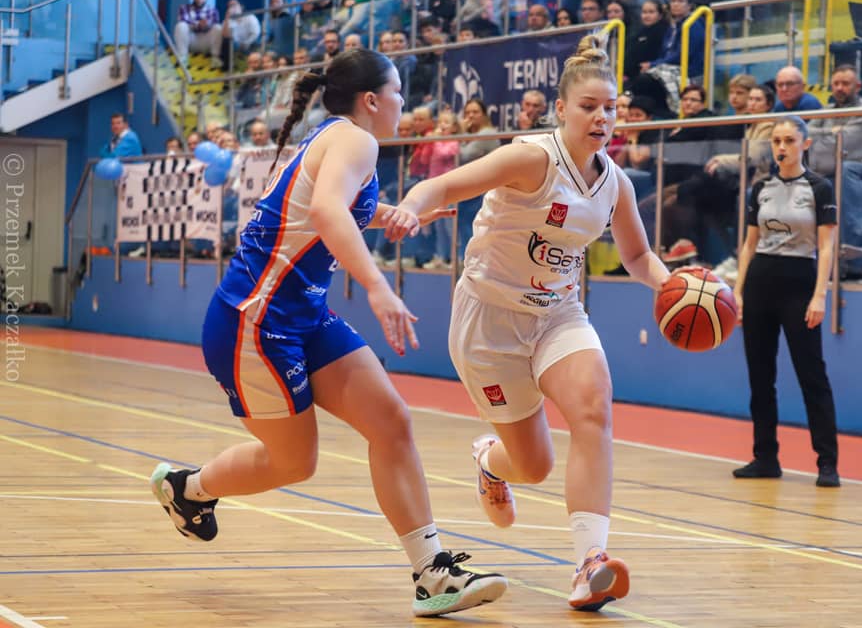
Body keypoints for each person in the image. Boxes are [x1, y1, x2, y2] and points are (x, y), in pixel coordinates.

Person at [149, 48, 508, 617]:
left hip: (303, 316)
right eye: (397, 92)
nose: (404, 102)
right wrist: (378, 287)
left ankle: (432, 573)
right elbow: (324, 211)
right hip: (256, 322)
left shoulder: (339, 138)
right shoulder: (356, 140)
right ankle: (188, 489)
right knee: (295, 462)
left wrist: (390, 212)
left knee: (391, 421)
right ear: (371, 100)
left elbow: (324, 206)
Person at [384, 35, 671, 612]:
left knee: (594, 406)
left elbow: (638, 256)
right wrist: (411, 208)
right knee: (533, 465)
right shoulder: (531, 158)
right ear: (561, 109)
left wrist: (675, 286)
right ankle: (490, 461)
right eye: (589, 106)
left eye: (610, 108)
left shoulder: (615, 183)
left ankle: (589, 563)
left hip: (558, 314)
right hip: (489, 320)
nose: (602, 117)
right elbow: (446, 184)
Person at [732, 116, 841, 489]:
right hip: (760, 282)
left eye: (789, 140)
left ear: (805, 144)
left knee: (812, 376)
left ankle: (827, 463)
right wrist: (738, 292)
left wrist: (820, 295)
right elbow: (749, 244)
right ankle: (765, 457)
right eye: (777, 140)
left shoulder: (820, 187)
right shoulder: (760, 187)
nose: (782, 147)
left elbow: (826, 246)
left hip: (799, 283)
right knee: (760, 377)